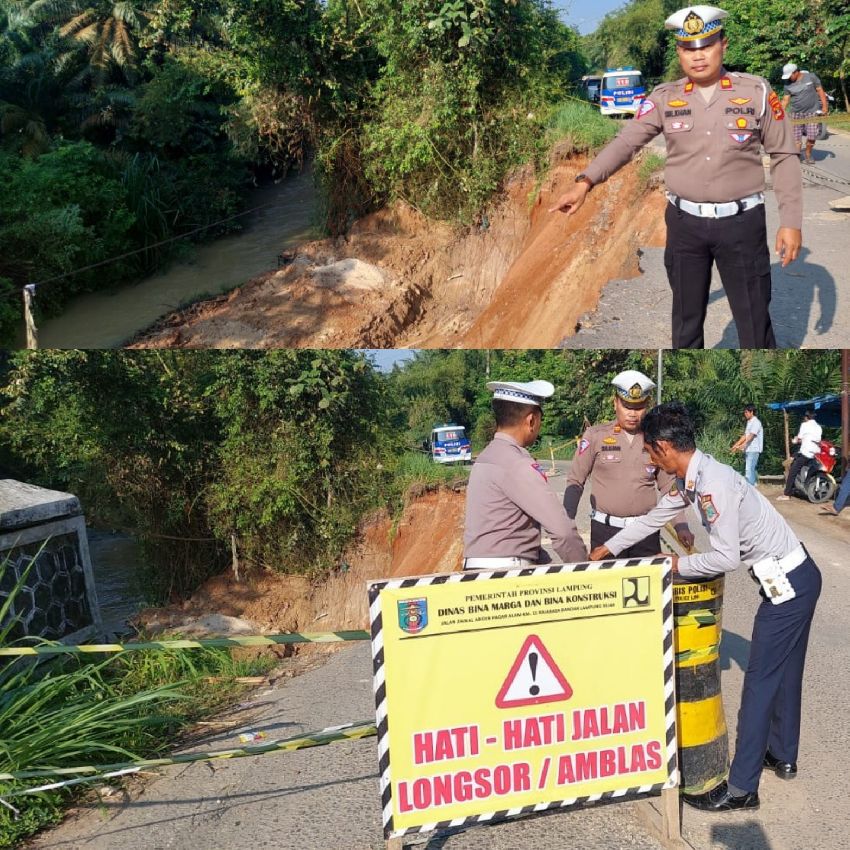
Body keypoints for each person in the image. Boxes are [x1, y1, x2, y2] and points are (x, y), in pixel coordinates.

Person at [590, 402, 821, 812]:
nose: (650, 460)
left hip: (788, 585)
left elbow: (725, 558)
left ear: (664, 447)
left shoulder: (712, 484)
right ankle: (782, 754)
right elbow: (653, 518)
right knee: (784, 672)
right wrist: (607, 548)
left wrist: (676, 564)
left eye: (650, 452)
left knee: (761, 680)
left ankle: (742, 788)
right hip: (796, 576)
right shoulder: (692, 479)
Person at [550, 5, 802, 350]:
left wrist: (791, 221)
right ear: (679, 52)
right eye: (688, 48)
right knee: (685, 323)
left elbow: (784, 154)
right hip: (685, 227)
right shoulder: (665, 98)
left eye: (706, 46)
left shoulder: (756, 92)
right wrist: (585, 181)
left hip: (742, 225)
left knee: (755, 323)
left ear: (723, 45)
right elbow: (627, 142)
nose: (698, 56)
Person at [563, 369, 693, 557]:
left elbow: (668, 488)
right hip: (605, 532)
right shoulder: (595, 436)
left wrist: (681, 526)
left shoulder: (655, 440)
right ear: (615, 403)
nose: (633, 414)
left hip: (645, 532)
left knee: (647, 577)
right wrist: (566, 520)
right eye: (627, 406)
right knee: (608, 577)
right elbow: (576, 481)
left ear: (647, 405)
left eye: (639, 407)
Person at [463, 380, 588, 568]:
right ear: (531, 421)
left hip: (476, 569)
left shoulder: (485, 458)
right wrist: (585, 570)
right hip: (508, 574)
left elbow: (511, 530)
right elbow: (563, 533)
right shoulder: (517, 464)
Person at [780, 63, 829, 164]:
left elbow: (820, 91)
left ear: (796, 72)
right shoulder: (787, 84)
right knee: (796, 138)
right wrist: (779, 114)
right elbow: (785, 100)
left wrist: (825, 106)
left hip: (812, 112)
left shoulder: (811, 77)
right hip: (795, 114)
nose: (788, 78)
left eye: (790, 75)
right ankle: (796, 156)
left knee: (812, 136)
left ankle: (808, 154)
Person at [778, 410, 822, 501]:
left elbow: (798, 439)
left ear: (806, 417)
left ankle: (787, 494)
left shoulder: (804, 425)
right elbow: (815, 439)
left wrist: (794, 441)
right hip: (815, 453)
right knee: (799, 457)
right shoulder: (818, 427)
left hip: (805, 453)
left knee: (792, 472)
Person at [731, 404, 763, 486]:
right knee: (751, 469)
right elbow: (745, 435)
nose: (745, 414)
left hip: (754, 449)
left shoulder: (756, 422)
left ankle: (750, 487)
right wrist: (736, 444)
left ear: (751, 412)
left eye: (746, 412)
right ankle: (753, 486)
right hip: (748, 449)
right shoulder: (749, 422)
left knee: (749, 469)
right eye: (744, 412)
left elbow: (751, 436)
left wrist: (743, 444)